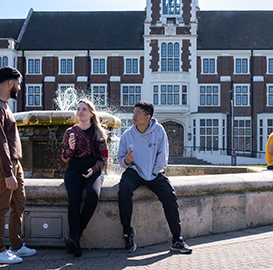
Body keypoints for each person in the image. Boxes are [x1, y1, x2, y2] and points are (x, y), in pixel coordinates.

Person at [117, 101, 192, 254]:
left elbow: (163, 156)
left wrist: (153, 173)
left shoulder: (159, 130)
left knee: (170, 196)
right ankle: (127, 233)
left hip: (154, 172)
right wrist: (126, 161)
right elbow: (120, 159)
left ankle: (177, 239)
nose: (134, 116)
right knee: (123, 190)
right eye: (133, 113)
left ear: (147, 117)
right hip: (134, 171)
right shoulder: (127, 135)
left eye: (137, 114)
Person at [0, 67, 37, 264]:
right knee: (0, 207)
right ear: (10, 83)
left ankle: (16, 245)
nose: (20, 88)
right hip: (0, 164)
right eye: (19, 84)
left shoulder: (3, 104)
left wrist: (15, 167)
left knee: (18, 204)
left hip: (14, 163)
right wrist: (7, 173)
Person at [61, 99, 108, 257]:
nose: (80, 112)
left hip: (93, 168)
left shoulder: (98, 133)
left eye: (84, 109)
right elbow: (64, 157)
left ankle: (75, 236)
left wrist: (93, 170)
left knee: (93, 195)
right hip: (74, 168)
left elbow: (103, 158)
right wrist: (71, 148)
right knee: (73, 199)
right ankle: (75, 240)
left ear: (91, 113)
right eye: (78, 109)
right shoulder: (70, 132)